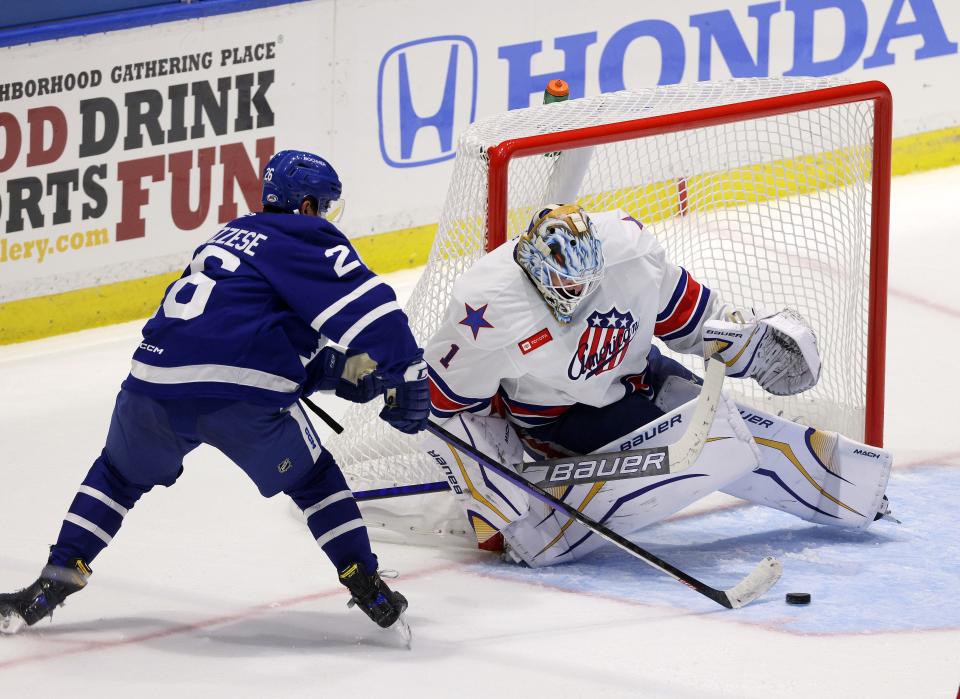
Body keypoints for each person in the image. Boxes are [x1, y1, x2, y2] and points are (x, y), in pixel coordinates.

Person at [0, 150, 430, 634]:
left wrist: (351, 372)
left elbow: (238, 336)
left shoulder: (227, 236)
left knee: (117, 477)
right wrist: (407, 371)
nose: (325, 217)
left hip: (152, 382)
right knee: (313, 481)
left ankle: (49, 586)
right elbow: (369, 309)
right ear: (307, 206)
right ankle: (366, 585)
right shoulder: (301, 234)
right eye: (323, 206)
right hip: (241, 396)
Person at [421, 203, 894, 566]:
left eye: (588, 283)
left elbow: (692, 318)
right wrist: (487, 484)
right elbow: (445, 408)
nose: (580, 295)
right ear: (537, 271)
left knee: (709, 412)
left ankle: (853, 492)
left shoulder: (630, 254)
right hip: (563, 423)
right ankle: (552, 525)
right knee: (716, 439)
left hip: (642, 373)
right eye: (567, 287)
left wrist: (744, 343)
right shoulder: (489, 312)